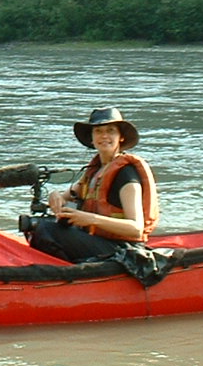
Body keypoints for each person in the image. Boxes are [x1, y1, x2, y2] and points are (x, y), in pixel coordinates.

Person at [28, 107, 160, 262]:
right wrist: (55, 196)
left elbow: (136, 229)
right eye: (98, 131)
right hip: (101, 242)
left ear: (121, 137)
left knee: (46, 230)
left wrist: (91, 219)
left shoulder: (126, 174)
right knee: (41, 225)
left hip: (124, 250)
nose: (104, 136)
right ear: (92, 138)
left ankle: (66, 275)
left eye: (110, 131)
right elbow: (64, 198)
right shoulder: (95, 171)